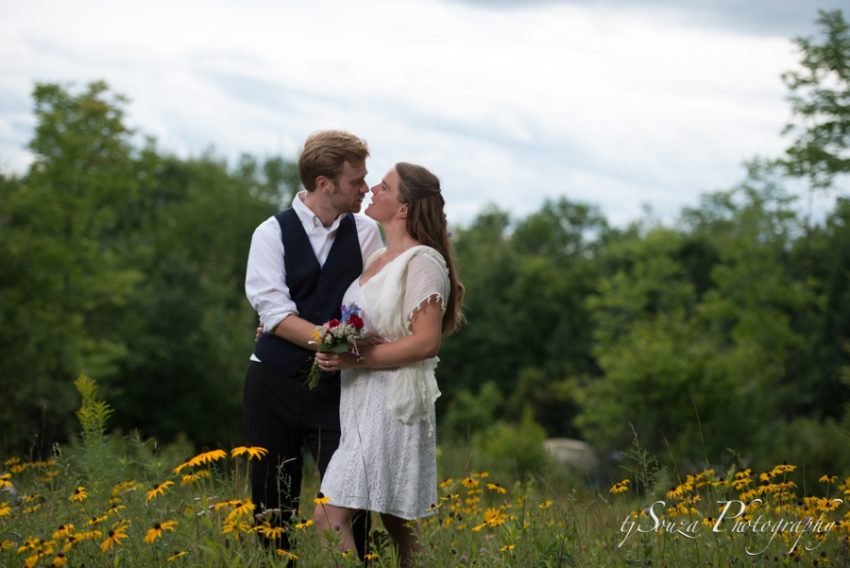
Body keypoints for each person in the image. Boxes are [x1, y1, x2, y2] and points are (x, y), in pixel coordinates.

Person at [312, 162, 464, 566]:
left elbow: (427, 342)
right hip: (361, 402)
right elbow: (365, 323)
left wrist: (354, 356)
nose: (372, 188)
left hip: (393, 404)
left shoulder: (422, 262)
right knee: (397, 522)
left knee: (329, 515)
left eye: (385, 186)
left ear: (403, 208)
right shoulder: (379, 255)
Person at [243, 130, 383, 556]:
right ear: (325, 183)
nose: (366, 188)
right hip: (273, 386)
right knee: (271, 510)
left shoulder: (366, 233)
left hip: (341, 392)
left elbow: (375, 308)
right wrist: (331, 339)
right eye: (356, 180)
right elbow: (275, 314)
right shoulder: (270, 233)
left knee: (350, 502)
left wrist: (338, 346)